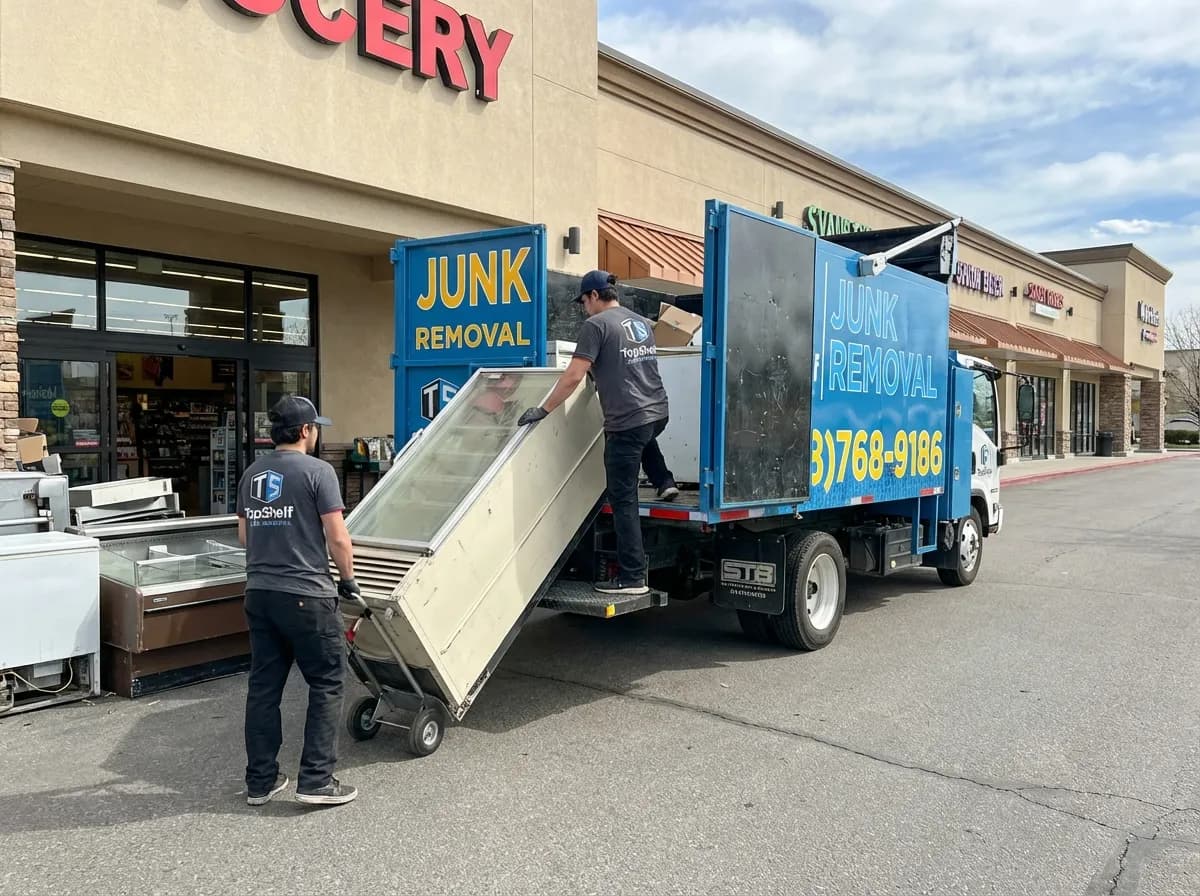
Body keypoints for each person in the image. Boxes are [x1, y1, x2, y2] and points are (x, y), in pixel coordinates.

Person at [517, 270, 678, 596]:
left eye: (583, 302)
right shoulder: (639, 323)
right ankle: (665, 482)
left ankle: (632, 577)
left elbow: (574, 375)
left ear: (593, 296)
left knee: (623, 500)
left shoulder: (596, 326)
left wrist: (544, 409)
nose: (582, 309)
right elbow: (625, 363)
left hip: (628, 422)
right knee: (644, 437)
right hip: (658, 411)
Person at [236, 395, 360, 807]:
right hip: (307, 595)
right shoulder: (319, 472)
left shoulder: (253, 472)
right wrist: (348, 580)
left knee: (264, 688)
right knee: (327, 682)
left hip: (259, 593)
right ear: (306, 430)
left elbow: (243, 536)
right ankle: (316, 780)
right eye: (315, 427)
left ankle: (261, 782)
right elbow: (338, 537)